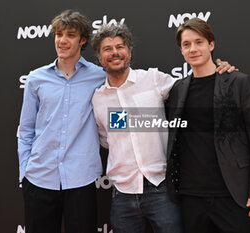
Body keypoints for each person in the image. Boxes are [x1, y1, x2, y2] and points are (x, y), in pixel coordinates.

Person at [91, 23, 234, 233]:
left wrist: (220, 68)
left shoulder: (153, 79)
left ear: (129, 52)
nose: (115, 53)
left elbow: (193, 88)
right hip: (121, 194)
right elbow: (105, 140)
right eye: (107, 49)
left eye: (120, 47)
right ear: (99, 58)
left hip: (161, 191)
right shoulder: (98, 99)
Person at [165, 18, 250, 233]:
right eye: (186, 44)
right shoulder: (177, 89)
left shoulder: (237, 83)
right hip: (190, 194)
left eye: (199, 42)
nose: (193, 49)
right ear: (181, 50)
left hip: (231, 193)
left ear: (211, 44)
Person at [17, 10, 106, 233]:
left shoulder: (99, 76)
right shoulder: (36, 79)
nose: (62, 40)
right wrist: (24, 171)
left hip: (81, 180)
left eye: (70, 35)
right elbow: (26, 128)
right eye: (58, 34)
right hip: (39, 178)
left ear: (82, 40)